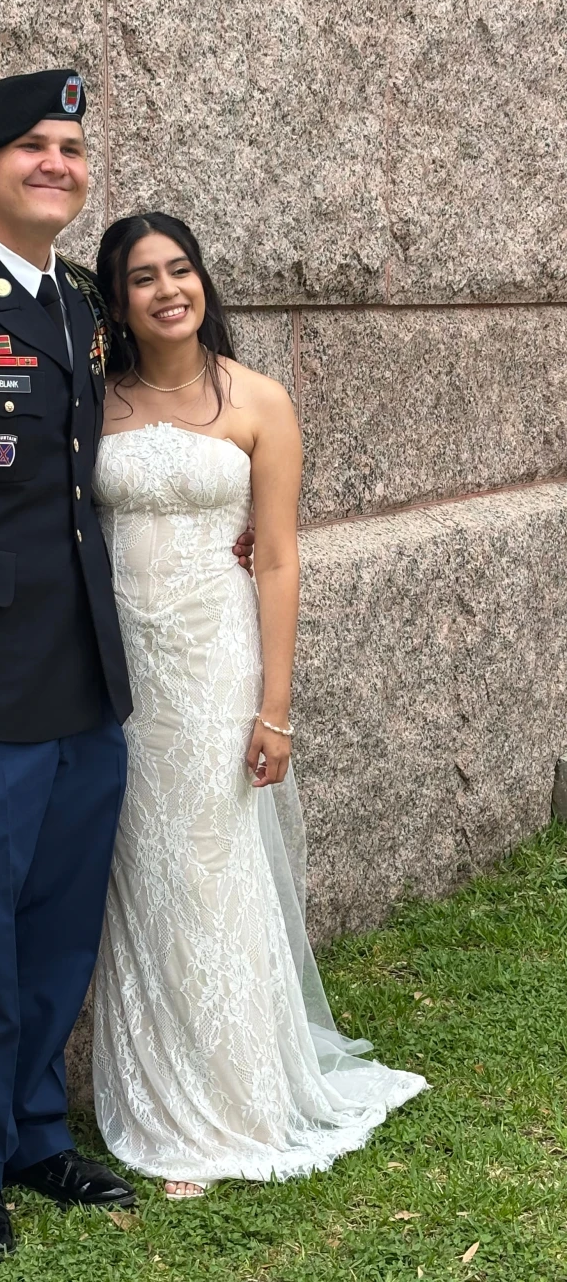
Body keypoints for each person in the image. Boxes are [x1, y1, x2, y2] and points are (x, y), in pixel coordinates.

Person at [0, 73, 254, 1255]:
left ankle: (33, 1136)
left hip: (83, 682)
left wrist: (220, 514)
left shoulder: (78, 307)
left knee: (61, 930)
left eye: (71, 148)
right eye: (31, 146)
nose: (57, 165)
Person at [90, 212, 428, 1198]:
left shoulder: (260, 401)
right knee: (141, 873)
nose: (167, 290)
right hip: (117, 670)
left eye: (180, 269)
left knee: (209, 867)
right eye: (142, 278)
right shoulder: (91, 402)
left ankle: (231, 1107)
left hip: (215, 666)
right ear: (117, 302)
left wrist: (274, 711)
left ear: (203, 281)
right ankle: (158, 1091)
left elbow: (276, 559)